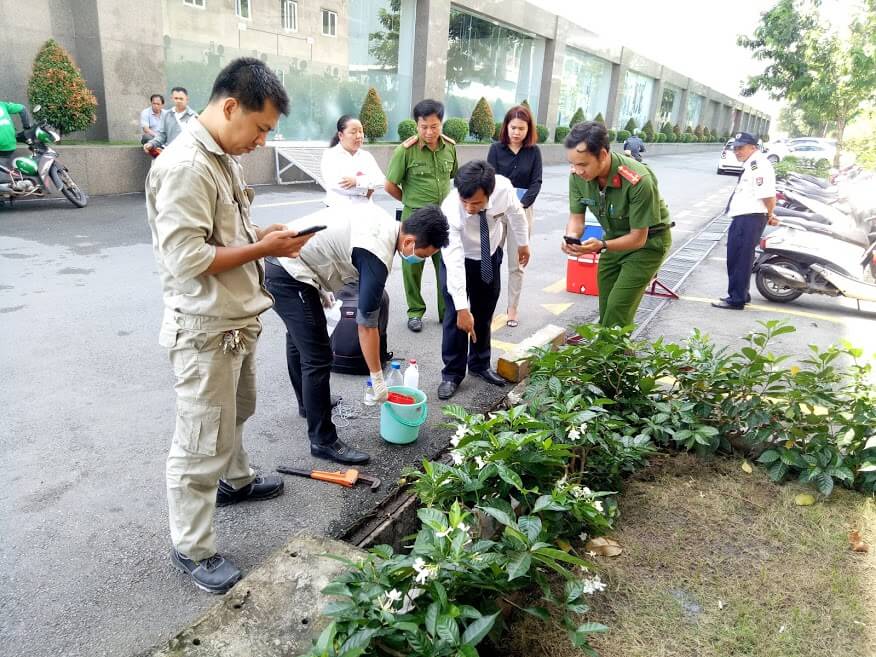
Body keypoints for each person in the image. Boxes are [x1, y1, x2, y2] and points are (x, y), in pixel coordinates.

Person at [146, 58, 316, 595]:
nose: (262, 141)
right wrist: (265, 247)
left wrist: (264, 234)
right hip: (204, 327)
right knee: (199, 439)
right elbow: (187, 258)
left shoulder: (222, 158)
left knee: (235, 412)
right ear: (229, 107)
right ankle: (191, 547)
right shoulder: (186, 166)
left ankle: (236, 482)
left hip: (234, 320)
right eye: (261, 128)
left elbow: (225, 233)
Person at [265, 204, 450, 460]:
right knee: (318, 356)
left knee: (300, 339)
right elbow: (366, 324)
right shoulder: (377, 252)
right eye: (424, 254)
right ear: (408, 242)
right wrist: (377, 378)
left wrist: (321, 290)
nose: (423, 260)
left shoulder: (383, 222)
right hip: (287, 272)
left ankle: (308, 406)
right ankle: (323, 441)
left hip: (289, 265)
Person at [562, 121, 672, 327]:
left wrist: (602, 246)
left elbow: (638, 238)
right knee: (606, 308)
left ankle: (612, 356)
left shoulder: (639, 180)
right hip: (613, 241)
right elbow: (576, 218)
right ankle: (616, 353)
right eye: (573, 164)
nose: (577, 171)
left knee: (617, 309)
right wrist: (572, 238)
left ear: (603, 155)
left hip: (648, 245)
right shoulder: (577, 177)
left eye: (583, 164)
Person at [437, 160, 530, 400]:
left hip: (488, 255)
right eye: (464, 201)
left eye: (476, 203)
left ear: (489, 194)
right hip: (460, 257)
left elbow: (517, 214)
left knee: (484, 310)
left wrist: (523, 243)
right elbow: (454, 258)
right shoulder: (450, 208)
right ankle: (452, 374)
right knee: (456, 317)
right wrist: (461, 306)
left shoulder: (504, 190)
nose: (469, 207)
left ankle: (479, 364)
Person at [385, 99, 459, 333]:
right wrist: (409, 202)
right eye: (423, 126)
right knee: (412, 267)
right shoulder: (405, 151)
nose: (429, 132)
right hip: (415, 217)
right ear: (416, 125)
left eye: (434, 126)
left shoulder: (450, 147)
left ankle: (446, 312)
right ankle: (415, 312)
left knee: (445, 265)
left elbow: (454, 176)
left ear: (441, 124)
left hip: (442, 219)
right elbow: (389, 185)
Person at [487, 104, 542, 328]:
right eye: (513, 127)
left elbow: (536, 183)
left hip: (522, 211)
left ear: (528, 130)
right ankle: (486, 306)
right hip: (497, 212)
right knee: (489, 260)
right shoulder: (496, 149)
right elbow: (488, 179)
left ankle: (512, 308)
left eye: (521, 128)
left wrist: (520, 205)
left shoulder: (534, 152)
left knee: (516, 264)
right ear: (506, 127)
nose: (517, 132)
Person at [712, 131, 778, 310]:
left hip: (749, 219)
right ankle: (741, 293)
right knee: (738, 257)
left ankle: (736, 299)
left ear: (753, 147)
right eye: (735, 148)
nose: (737, 151)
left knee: (739, 258)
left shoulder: (758, 165)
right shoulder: (752, 164)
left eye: (741, 148)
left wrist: (770, 214)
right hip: (745, 218)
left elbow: (767, 195)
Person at [320, 115, 385, 207]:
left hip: (364, 210)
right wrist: (367, 190)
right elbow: (338, 186)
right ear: (341, 135)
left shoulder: (366, 156)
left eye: (361, 131)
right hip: (338, 210)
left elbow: (380, 181)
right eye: (353, 132)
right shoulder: (330, 155)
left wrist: (357, 181)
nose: (359, 136)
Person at [143, 87, 198, 154]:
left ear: (187, 99)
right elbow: (162, 136)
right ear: (172, 99)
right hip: (170, 153)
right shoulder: (167, 115)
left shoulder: (194, 116)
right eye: (176, 98)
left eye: (181, 99)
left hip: (188, 153)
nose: (178, 101)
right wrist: (151, 144)